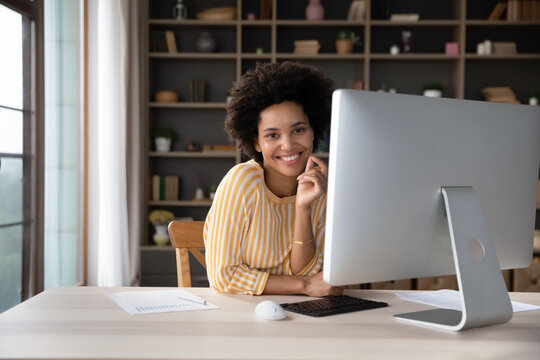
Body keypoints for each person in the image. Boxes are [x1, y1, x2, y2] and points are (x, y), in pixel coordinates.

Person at [204, 61, 343, 296]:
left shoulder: (320, 188)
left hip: (301, 315)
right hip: (240, 316)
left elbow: (308, 271)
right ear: (256, 142)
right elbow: (223, 276)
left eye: (299, 130)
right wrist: (305, 286)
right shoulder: (242, 182)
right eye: (272, 135)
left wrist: (303, 207)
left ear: (313, 130)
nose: (288, 145)